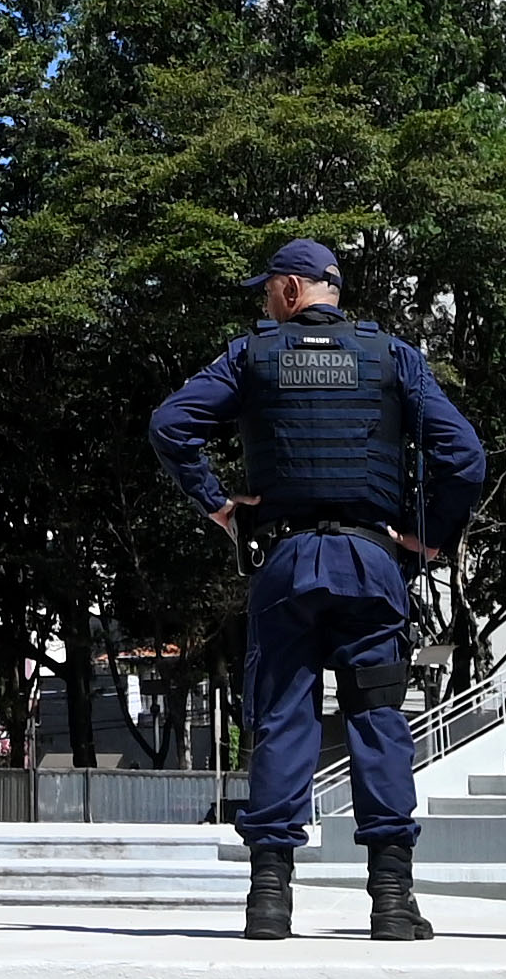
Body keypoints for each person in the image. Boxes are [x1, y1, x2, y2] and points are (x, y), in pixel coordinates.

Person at [149, 237, 487, 943]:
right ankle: (391, 901)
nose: (266, 301)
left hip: (288, 562)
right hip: (371, 565)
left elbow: (170, 424)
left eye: (268, 290)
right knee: (379, 720)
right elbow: (464, 455)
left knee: (281, 720)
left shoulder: (251, 356)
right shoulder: (391, 356)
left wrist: (219, 505)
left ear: (292, 290)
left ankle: (269, 901)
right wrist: (427, 536)